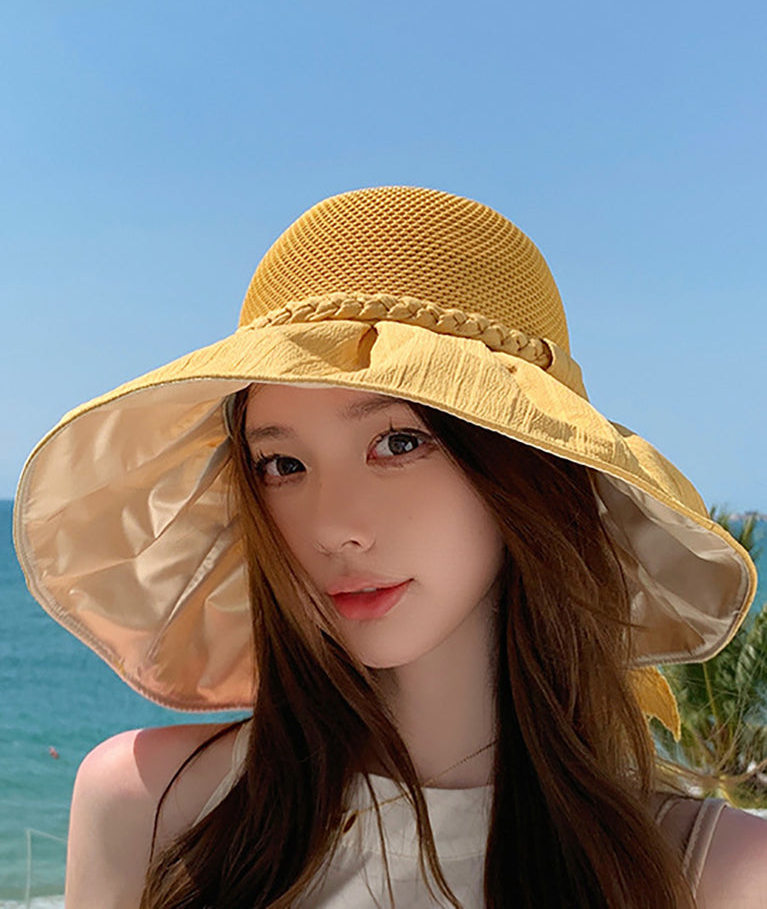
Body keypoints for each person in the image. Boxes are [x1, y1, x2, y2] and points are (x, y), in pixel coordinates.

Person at [13, 186, 767, 908]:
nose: (331, 527)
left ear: (526, 468)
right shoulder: (148, 805)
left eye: (398, 442)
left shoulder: (713, 874)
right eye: (282, 464)